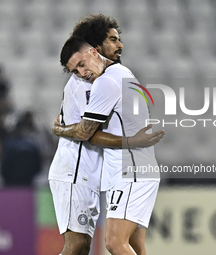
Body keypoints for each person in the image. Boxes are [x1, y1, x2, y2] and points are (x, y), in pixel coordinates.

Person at [49, 15, 164, 255]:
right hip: (76, 170)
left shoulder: (107, 80)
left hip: (119, 169)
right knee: (84, 245)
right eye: (112, 40)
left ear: (92, 52)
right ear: (95, 47)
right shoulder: (88, 82)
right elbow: (84, 132)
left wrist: (58, 129)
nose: (80, 73)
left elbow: (85, 131)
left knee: (105, 244)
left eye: (118, 39)